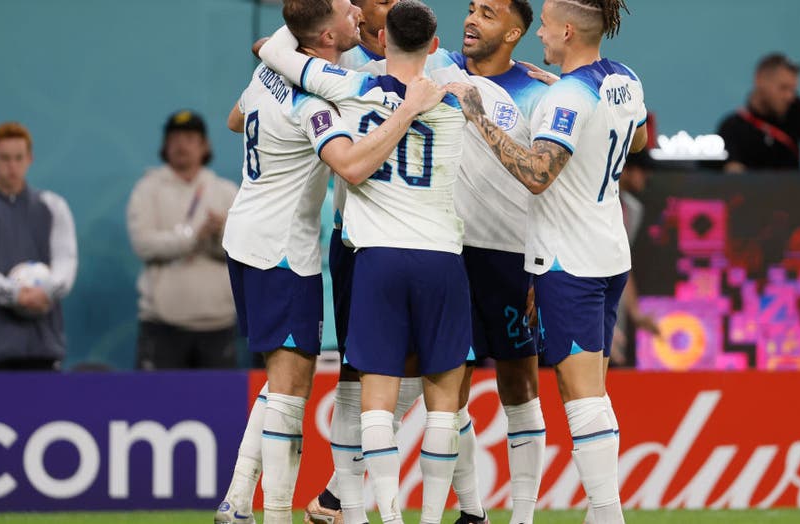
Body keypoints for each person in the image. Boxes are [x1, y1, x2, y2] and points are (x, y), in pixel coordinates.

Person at [216, 1, 447, 522]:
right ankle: (276, 513)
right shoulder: (316, 100)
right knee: (291, 392)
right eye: (347, 11)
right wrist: (408, 110)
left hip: (246, 235)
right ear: (325, 36)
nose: (358, 15)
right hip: (282, 251)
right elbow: (352, 167)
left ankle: (237, 499)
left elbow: (235, 119)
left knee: (282, 382)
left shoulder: (270, 69)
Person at [447, 0, 646, 522]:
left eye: (546, 27)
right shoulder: (623, 79)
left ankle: (608, 515)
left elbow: (537, 174)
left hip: (568, 261)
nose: (539, 35)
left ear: (567, 31)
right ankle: (604, 513)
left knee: (580, 401)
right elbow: (639, 138)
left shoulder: (566, 97)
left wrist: (479, 116)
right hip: (610, 253)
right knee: (595, 395)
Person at [416, 1, 550, 522]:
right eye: (472, 9)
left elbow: (556, 184)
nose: (471, 19)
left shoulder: (540, 91)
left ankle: (523, 516)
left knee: (520, 384)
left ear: (514, 33)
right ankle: (472, 512)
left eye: (488, 13)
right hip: (448, 254)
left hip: (513, 258)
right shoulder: (436, 66)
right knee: (450, 389)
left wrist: (543, 264)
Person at [126, 110, 239, 370]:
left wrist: (220, 234)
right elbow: (144, 244)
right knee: (156, 397)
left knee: (216, 397)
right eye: (174, 138)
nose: (181, 145)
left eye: (190, 138)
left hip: (218, 323)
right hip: (162, 324)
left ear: (204, 146)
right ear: (165, 146)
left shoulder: (226, 191)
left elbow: (245, 251)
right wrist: (193, 236)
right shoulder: (147, 190)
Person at [0, 122, 77, 371]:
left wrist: (46, 291)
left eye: (19, 158)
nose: (12, 166)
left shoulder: (54, 206)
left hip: (44, 344)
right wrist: (16, 295)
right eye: (5, 158)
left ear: (30, 159)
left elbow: (66, 260)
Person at [717, 53, 800, 173]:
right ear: (759, 80)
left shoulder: (797, 109)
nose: (789, 96)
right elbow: (733, 174)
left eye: (793, 90)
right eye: (783, 88)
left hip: (794, 192)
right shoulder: (731, 127)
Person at [611, 150, 660, 366]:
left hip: (612, 311)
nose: (646, 177)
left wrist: (635, 312)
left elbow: (622, 264)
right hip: (584, 304)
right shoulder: (591, 202)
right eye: (642, 171)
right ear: (625, 169)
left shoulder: (633, 209)